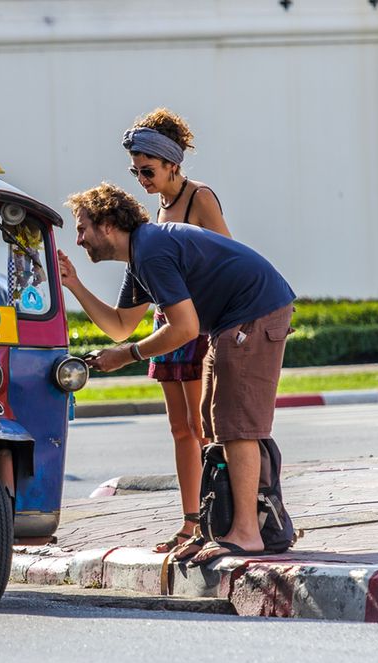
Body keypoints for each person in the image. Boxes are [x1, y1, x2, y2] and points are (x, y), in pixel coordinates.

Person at [59, 183, 295, 565]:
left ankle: (248, 533)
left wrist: (128, 355)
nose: (79, 238)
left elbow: (183, 329)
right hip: (230, 322)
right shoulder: (141, 254)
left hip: (254, 313)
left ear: (106, 225)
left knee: (237, 425)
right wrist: (73, 284)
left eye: (82, 227)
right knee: (212, 422)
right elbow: (120, 326)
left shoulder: (151, 251)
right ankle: (219, 527)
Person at [123, 108, 231, 556]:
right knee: (181, 429)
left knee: (205, 425)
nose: (141, 178)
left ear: (171, 163)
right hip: (168, 325)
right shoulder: (159, 208)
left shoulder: (199, 198)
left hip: (198, 326)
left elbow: (228, 258)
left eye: (147, 169)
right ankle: (190, 523)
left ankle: (214, 520)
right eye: (135, 170)